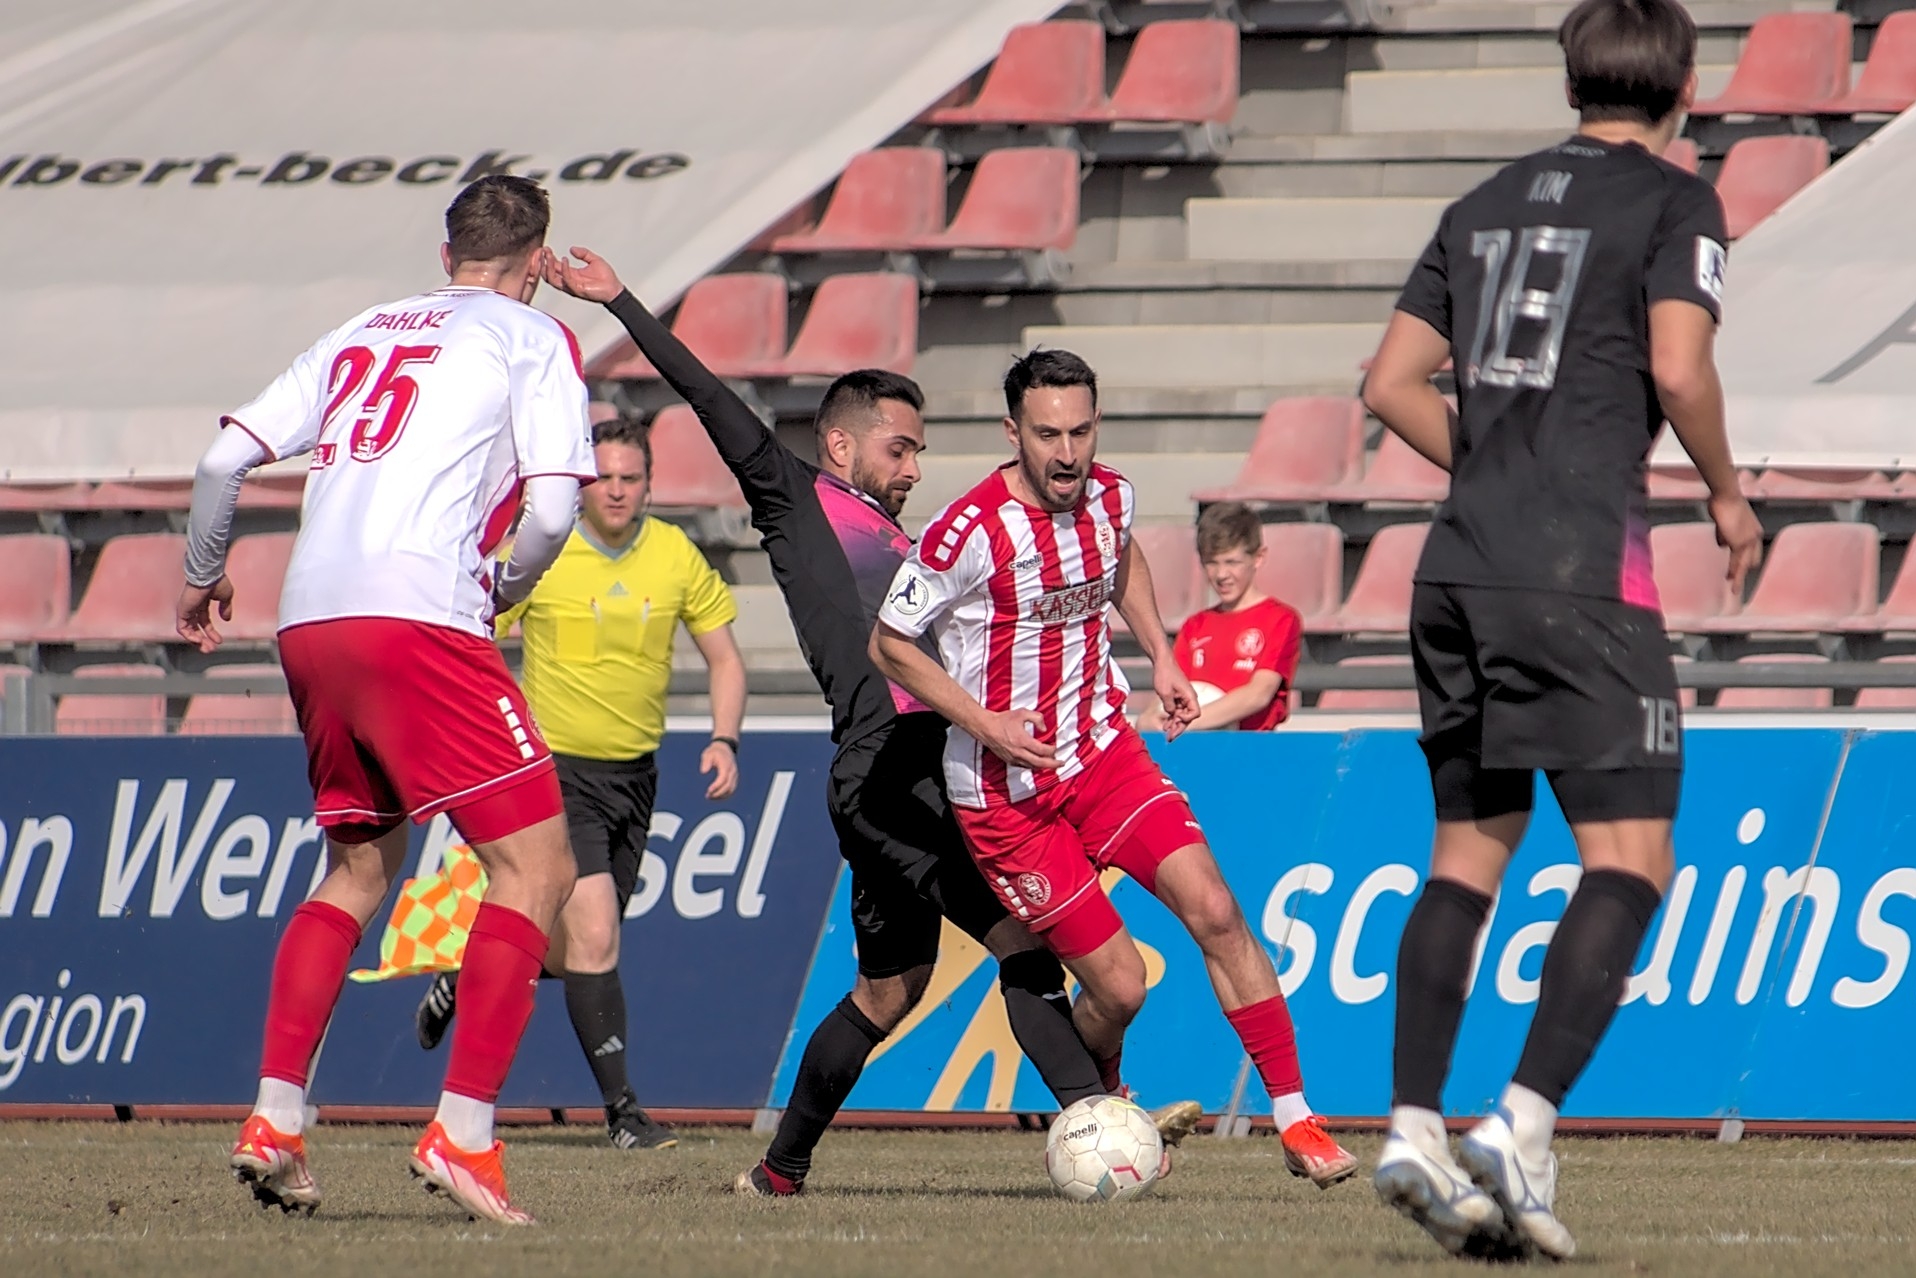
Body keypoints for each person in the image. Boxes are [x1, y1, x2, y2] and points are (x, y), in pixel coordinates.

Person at [539, 248, 1201, 1198]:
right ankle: (1103, 1121)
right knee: (1022, 943)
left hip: (903, 772)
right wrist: (622, 302)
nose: (914, 468)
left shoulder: (906, 540)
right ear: (842, 448)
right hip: (891, 773)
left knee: (888, 992)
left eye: (921, 452)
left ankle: (778, 1173)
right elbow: (711, 397)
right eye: (901, 449)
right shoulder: (795, 498)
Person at [1358, 0, 1763, 1258]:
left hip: (1455, 571)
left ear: (1573, 80)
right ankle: (1522, 1123)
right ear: (1685, 88)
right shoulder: (1677, 202)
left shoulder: (1481, 203)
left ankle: (1412, 1126)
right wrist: (1729, 493)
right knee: (1633, 857)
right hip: (1581, 573)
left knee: (1464, 856)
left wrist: (1492, 474)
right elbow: (1680, 367)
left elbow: (1386, 384)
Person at [177, 175, 596, 1227]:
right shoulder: (530, 336)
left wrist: (201, 571)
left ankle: (276, 1119)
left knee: (360, 865)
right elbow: (552, 511)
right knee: (537, 867)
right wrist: (501, 589)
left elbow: (223, 459)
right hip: (420, 613)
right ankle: (466, 1133)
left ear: (447, 252)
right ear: (536, 264)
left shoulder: (362, 328)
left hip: (311, 616)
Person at [869, 348, 1358, 1188]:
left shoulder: (1110, 496)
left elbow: (1119, 557)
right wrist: (986, 724)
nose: (1067, 454)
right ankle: (1104, 1105)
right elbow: (889, 644)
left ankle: (1295, 1119)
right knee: (1122, 989)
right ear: (1013, 432)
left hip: (1102, 755)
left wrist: (1162, 655)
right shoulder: (966, 530)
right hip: (1006, 797)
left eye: (1081, 432)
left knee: (1216, 908)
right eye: (1047, 434)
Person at [412, 411, 747, 1153]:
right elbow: (473, 633)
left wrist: (724, 739)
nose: (618, 491)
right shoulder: (543, 552)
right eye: (605, 479)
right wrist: (487, 728)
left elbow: (725, 657)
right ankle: (624, 1115)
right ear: (582, 485)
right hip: (555, 772)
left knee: (579, 950)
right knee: (595, 938)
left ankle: (468, 973)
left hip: (636, 776)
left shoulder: (675, 554)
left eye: (632, 478)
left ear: (650, 484)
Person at [1141, 501, 1302, 733]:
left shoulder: (1280, 619)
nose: (1221, 574)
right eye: (1212, 563)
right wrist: (1148, 719)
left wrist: (1191, 722)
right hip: (1195, 744)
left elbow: (1259, 694)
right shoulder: (1195, 626)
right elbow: (1170, 690)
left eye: (1232, 562)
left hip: (1250, 745)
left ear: (1258, 557)